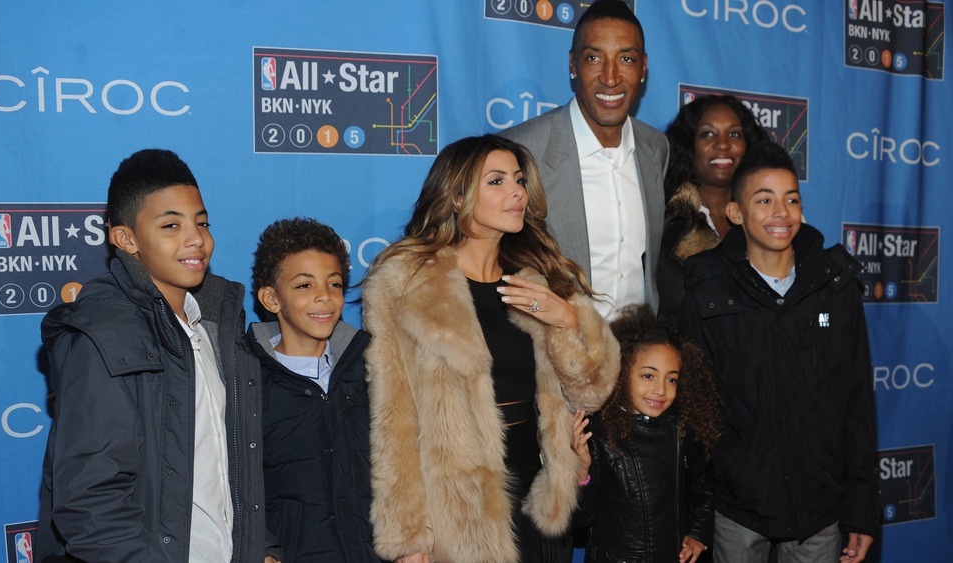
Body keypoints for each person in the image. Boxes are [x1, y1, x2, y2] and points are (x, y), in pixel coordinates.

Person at [361, 134, 620, 563]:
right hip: (460, 513)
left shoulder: (538, 282)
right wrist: (408, 536)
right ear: (458, 196)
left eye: (518, 180)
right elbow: (393, 418)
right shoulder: (404, 283)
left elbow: (592, 393)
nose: (517, 191)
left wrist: (569, 320)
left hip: (542, 502)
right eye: (496, 181)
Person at [35, 149, 267, 562]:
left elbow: (238, 465)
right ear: (126, 239)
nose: (196, 238)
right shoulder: (101, 336)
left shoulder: (218, 326)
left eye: (201, 222)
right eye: (171, 225)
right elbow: (90, 504)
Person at [680, 142, 879, 562]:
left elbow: (857, 402)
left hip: (820, 511)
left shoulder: (835, 285)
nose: (781, 212)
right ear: (736, 213)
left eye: (791, 199)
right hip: (736, 510)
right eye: (764, 199)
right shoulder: (707, 289)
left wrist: (862, 510)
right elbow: (694, 410)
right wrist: (698, 509)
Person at [501, 0, 669, 319]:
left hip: (636, 355)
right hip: (556, 358)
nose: (610, 77)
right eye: (594, 58)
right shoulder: (520, 150)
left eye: (626, 59)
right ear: (573, 64)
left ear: (643, 67)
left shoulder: (656, 148)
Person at [248, 217, 379, 562]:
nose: (324, 297)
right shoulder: (245, 382)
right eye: (304, 286)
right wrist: (262, 547)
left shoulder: (370, 370)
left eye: (334, 284)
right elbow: (234, 483)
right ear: (271, 299)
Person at [571, 304, 720, 563]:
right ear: (622, 371)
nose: (660, 389)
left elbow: (702, 486)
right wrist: (582, 471)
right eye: (648, 375)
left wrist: (698, 534)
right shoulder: (599, 433)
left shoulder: (682, 429)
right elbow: (580, 520)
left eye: (671, 379)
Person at [658, 94, 770, 318]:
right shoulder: (667, 223)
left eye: (735, 134)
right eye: (708, 134)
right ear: (689, 145)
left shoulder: (770, 219)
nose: (723, 144)